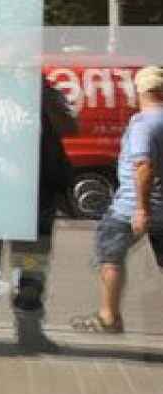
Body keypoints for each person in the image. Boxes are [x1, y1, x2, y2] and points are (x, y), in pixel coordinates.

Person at [0, 73, 76, 354]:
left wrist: (46, 100)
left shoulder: (45, 93)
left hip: (34, 203)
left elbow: (70, 128)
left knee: (31, 270)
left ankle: (30, 333)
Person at [74, 64, 163, 334]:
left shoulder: (144, 124)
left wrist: (141, 209)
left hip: (130, 208)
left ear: (141, 90)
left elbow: (143, 166)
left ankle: (109, 318)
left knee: (109, 257)